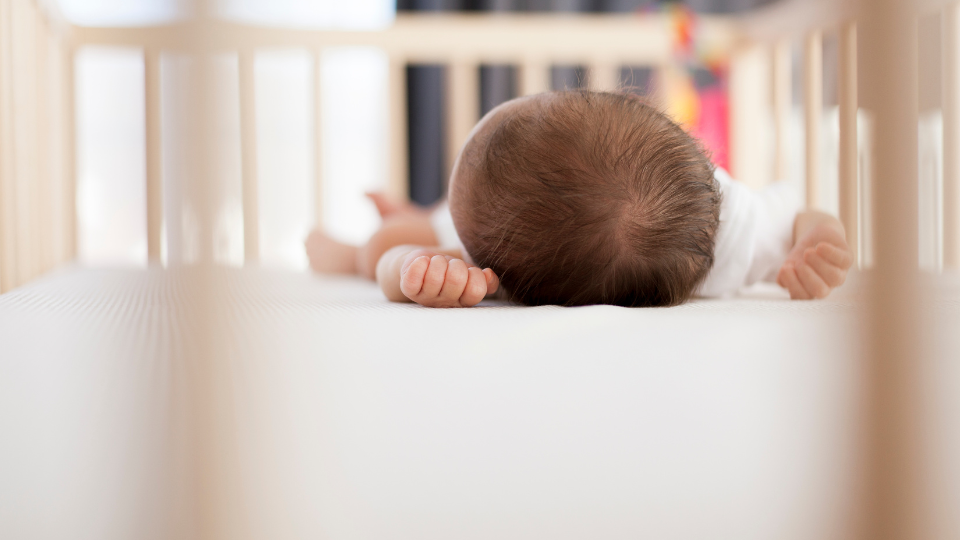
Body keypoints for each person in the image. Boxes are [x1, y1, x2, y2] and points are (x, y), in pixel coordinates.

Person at [305, 90, 853, 308]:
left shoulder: (485, 265)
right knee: (413, 225)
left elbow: (393, 273)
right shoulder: (731, 223)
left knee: (386, 243)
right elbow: (805, 212)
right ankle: (409, 214)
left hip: (452, 235)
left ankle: (341, 251)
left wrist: (416, 271)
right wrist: (819, 240)